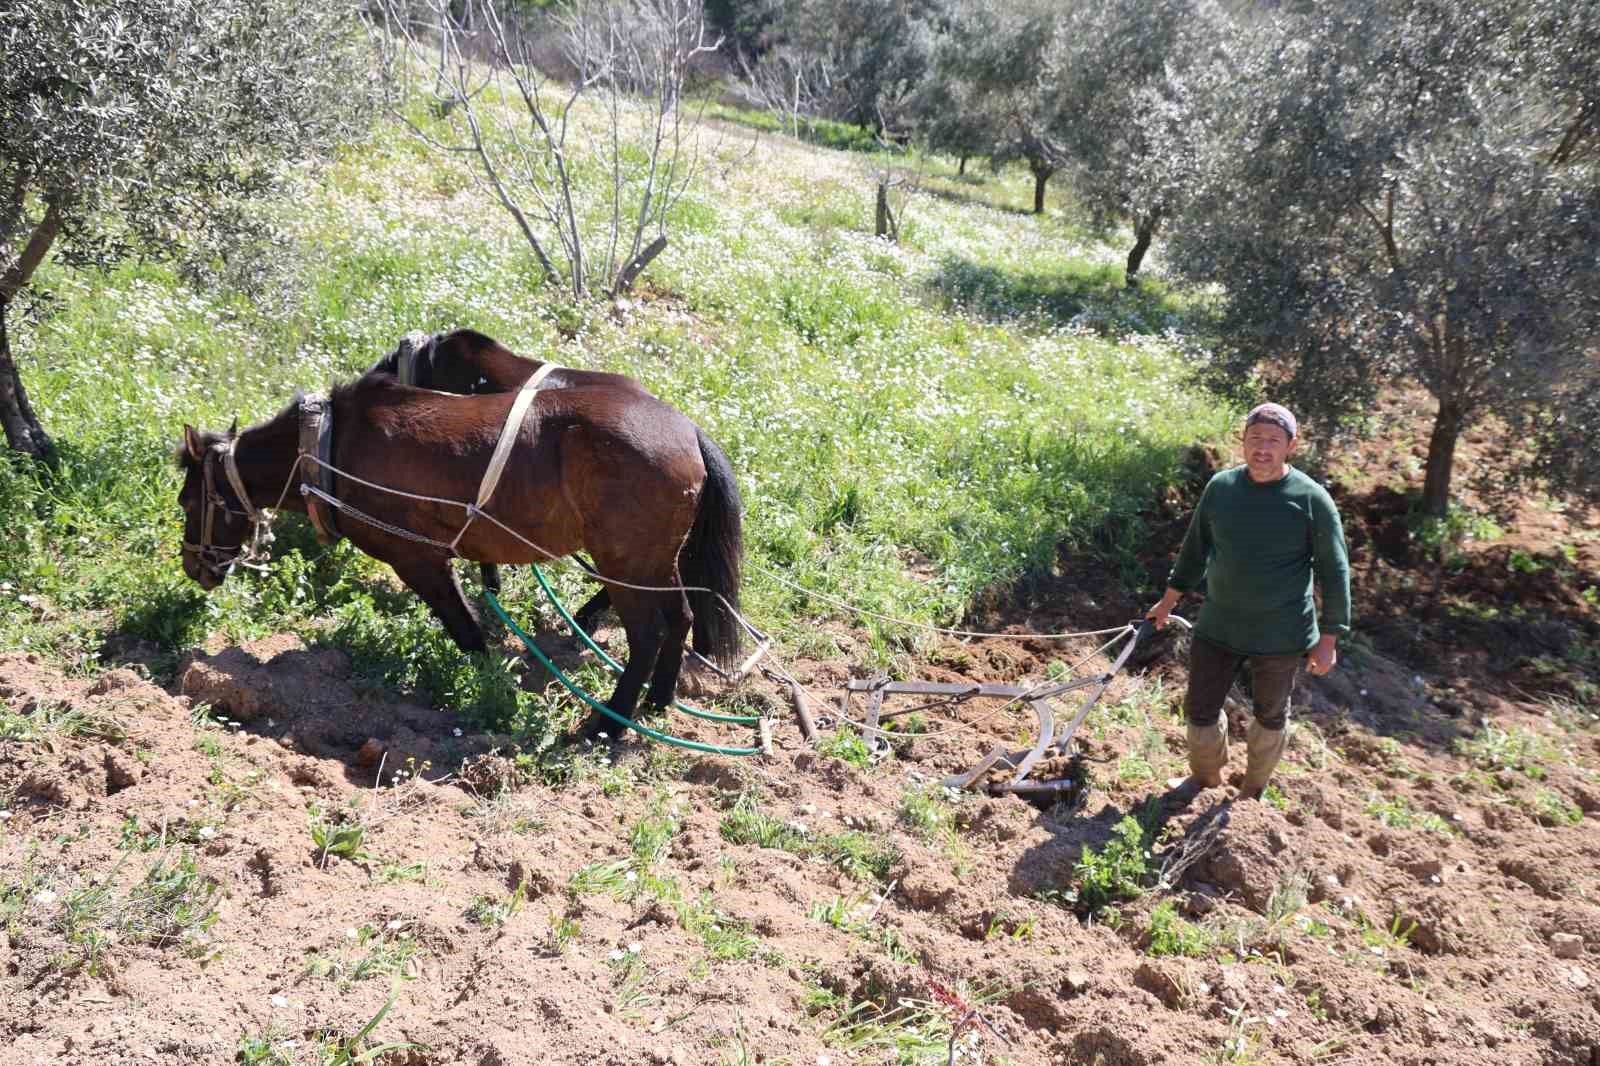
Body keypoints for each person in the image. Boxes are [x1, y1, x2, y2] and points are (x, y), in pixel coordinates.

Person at [1146, 403, 1350, 799]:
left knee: (1270, 715)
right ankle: (1205, 778)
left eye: (1273, 441)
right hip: (1219, 625)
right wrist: (1168, 601)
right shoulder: (1221, 488)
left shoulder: (1311, 499)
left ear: (1292, 445)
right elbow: (1194, 551)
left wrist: (1329, 638)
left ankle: (1252, 791)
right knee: (1199, 710)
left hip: (1282, 634)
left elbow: (1335, 570)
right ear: (1242, 442)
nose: (1262, 449)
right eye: (1254, 439)